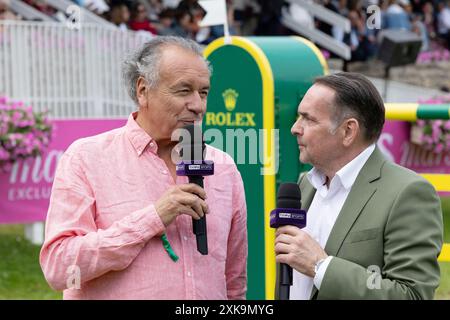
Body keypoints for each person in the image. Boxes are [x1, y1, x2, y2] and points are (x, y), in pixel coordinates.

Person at [40, 36, 248, 300]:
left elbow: (234, 283)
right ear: (142, 90)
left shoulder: (224, 168)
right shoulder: (86, 158)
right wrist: (152, 218)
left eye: (203, 92)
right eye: (184, 91)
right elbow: (60, 268)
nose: (198, 106)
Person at [275, 72, 443, 299]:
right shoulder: (305, 184)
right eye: (298, 117)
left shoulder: (407, 192)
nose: (295, 128)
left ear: (348, 131)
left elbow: (411, 294)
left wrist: (320, 266)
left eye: (309, 119)